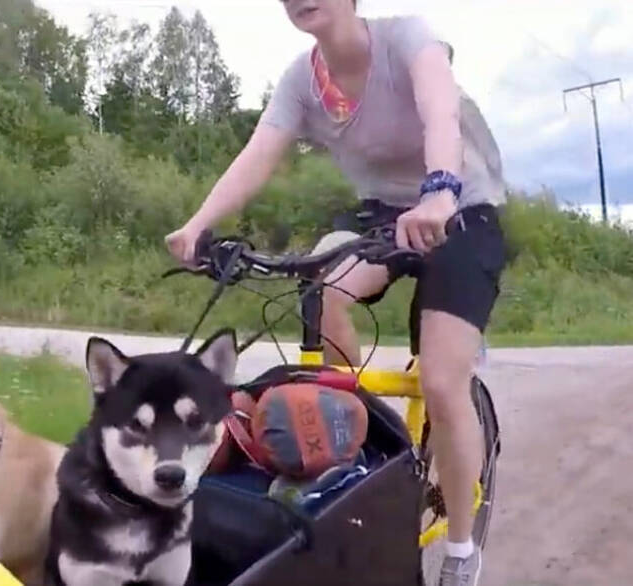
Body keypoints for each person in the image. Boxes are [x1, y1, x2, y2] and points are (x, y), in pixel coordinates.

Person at [163, 2, 506, 585]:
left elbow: (440, 114)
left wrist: (441, 191)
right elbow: (258, 155)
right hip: (381, 217)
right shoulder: (303, 80)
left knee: (444, 380)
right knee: (324, 289)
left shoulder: (407, 39)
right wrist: (198, 225)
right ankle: (356, 449)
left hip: (462, 210)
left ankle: (460, 549)